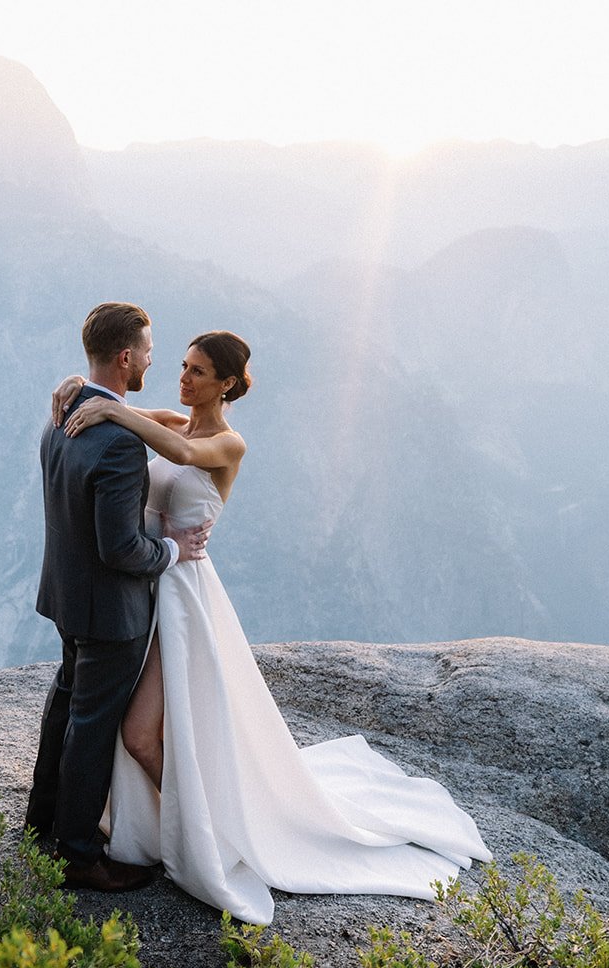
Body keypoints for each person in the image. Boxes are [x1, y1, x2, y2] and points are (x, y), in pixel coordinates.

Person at [53, 330, 492, 925]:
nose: (183, 379)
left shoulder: (228, 444)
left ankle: (219, 828)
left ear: (227, 384)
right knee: (150, 730)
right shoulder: (173, 421)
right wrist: (82, 389)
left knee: (137, 734)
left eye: (199, 372)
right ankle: (187, 817)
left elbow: (176, 454)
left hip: (183, 595)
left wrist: (108, 408)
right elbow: (137, 417)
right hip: (150, 587)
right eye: (182, 366)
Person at [25, 301, 210, 893]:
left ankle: (42, 820)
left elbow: (157, 427)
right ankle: (77, 855)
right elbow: (122, 549)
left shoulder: (65, 411)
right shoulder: (119, 446)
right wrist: (175, 551)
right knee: (93, 724)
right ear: (127, 357)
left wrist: (96, 394)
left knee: (67, 702)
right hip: (111, 609)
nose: (156, 361)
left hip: (66, 594)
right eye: (151, 352)